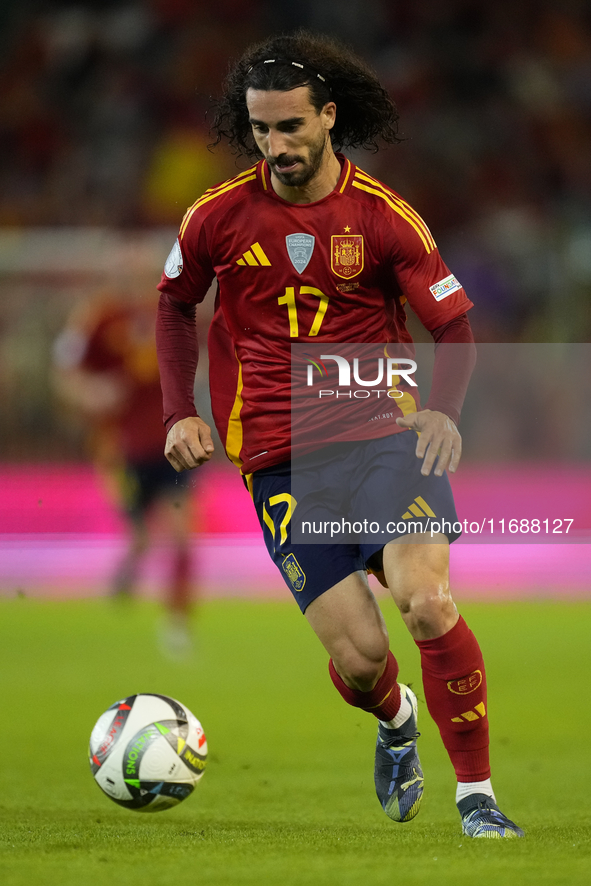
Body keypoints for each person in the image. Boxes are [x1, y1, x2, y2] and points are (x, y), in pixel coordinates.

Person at [156, 31, 524, 838]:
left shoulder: (384, 219)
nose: (275, 145)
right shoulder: (216, 216)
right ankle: (395, 720)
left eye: (290, 127)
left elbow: (453, 327)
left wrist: (443, 412)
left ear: (328, 116)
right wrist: (177, 409)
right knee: (360, 663)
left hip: (384, 440)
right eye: (259, 129)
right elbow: (174, 303)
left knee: (426, 603)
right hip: (280, 461)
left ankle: (476, 800)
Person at [54, 290, 195, 656]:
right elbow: (66, 374)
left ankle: (177, 626)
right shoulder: (98, 317)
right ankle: (120, 588)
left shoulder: (171, 306)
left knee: (182, 537)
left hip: (172, 443)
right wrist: (90, 391)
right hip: (124, 450)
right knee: (141, 540)